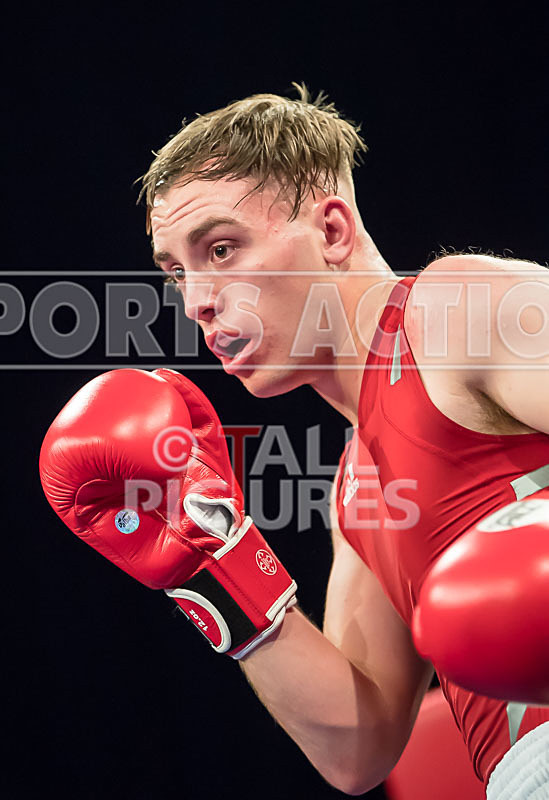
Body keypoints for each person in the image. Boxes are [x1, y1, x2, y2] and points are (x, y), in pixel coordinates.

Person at [40, 84, 549, 797]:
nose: (196, 300)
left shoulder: (457, 309)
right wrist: (213, 569)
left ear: (333, 231)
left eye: (221, 248)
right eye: (178, 271)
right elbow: (359, 749)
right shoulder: (359, 488)